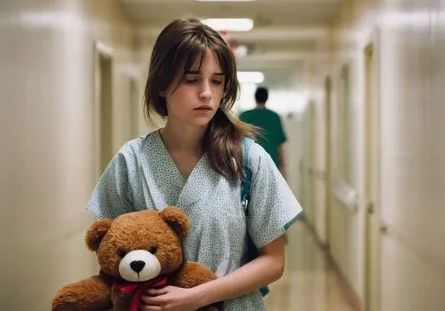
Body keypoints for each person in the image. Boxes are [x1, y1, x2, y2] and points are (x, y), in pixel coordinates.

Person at [86, 18, 303, 311]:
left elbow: (274, 261)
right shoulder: (131, 162)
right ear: (162, 84)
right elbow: (113, 257)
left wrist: (198, 296)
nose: (207, 93)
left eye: (217, 80)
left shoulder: (247, 160)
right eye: (192, 79)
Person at [239, 87, 288, 179]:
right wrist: (284, 170)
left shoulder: (244, 116)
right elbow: (280, 147)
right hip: (271, 166)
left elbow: (236, 143)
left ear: (255, 97)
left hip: (248, 165)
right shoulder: (274, 117)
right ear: (267, 98)